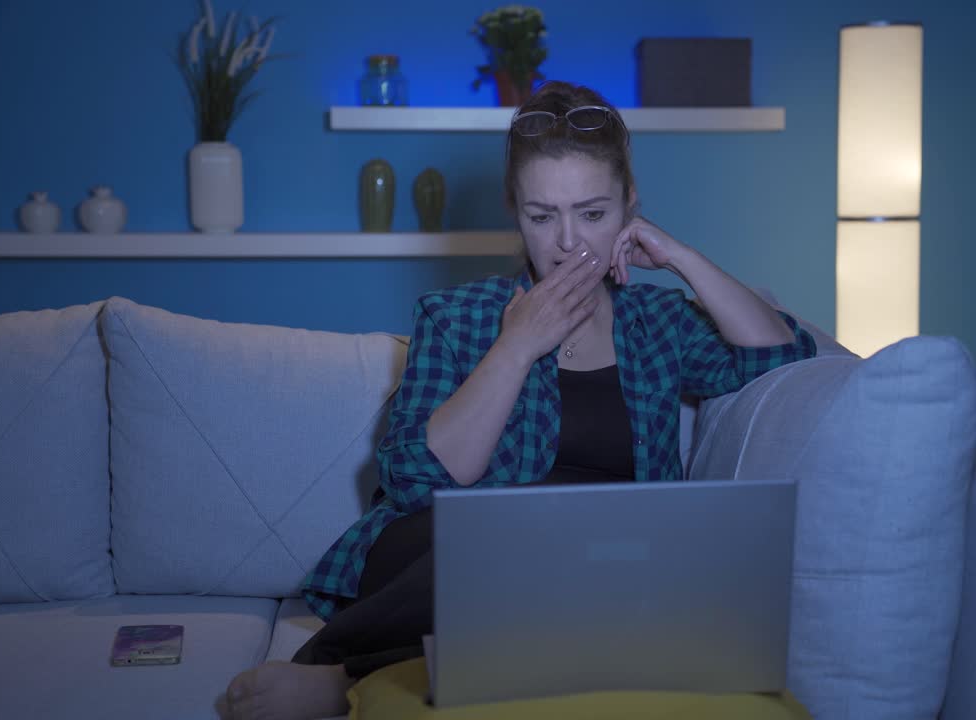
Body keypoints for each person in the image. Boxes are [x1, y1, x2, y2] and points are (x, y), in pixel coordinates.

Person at [222, 80, 817, 720]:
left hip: (601, 568)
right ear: (514, 210)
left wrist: (678, 257)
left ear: (630, 207)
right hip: (453, 557)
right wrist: (517, 345)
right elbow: (418, 481)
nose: (568, 243)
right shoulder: (455, 316)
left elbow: (779, 355)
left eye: (593, 213)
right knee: (473, 545)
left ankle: (352, 681)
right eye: (542, 216)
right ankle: (372, 673)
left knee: (619, 565)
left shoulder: (657, 322)